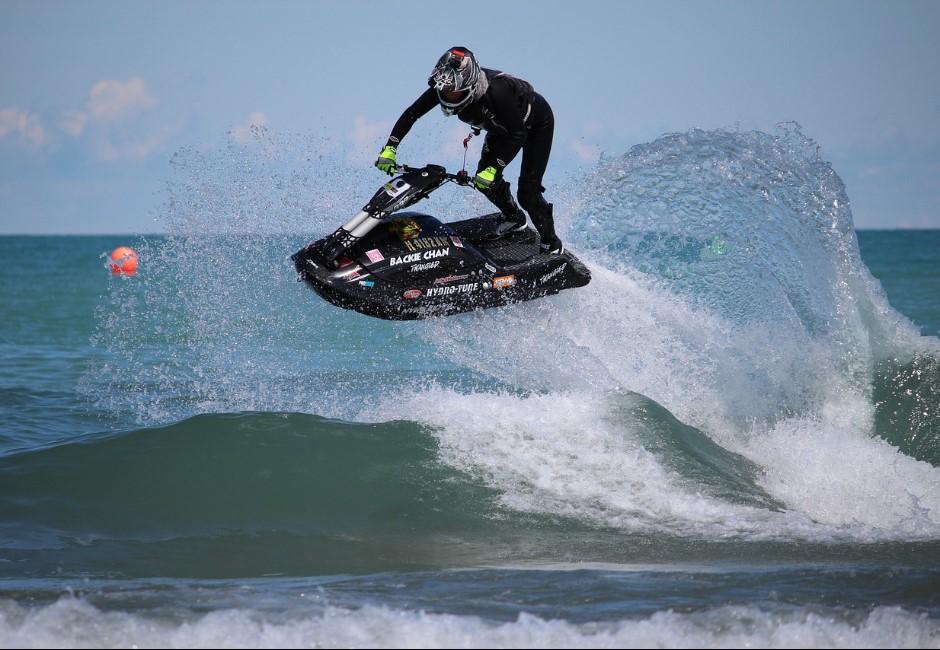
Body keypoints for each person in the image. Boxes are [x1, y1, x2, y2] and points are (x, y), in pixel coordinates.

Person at [374, 47, 563, 254]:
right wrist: (391, 147)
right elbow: (412, 113)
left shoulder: (496, 92)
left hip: (533, 125)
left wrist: (493, 168)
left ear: (469, 86)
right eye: (445, 91)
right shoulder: (445, 86)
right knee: (485, 184)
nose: (448, 95)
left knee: (527, 193)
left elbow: (518, 135)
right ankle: (515, 219)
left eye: (453, 92)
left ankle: (551, 244)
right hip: (500, 128)